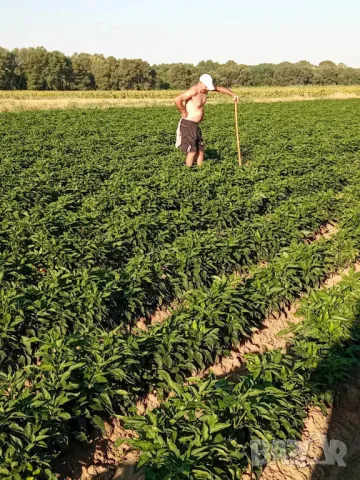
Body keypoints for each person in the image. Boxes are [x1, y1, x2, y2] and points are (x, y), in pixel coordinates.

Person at [174, 74, 239, 167]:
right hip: (188, 124)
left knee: (200, 149)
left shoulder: (205, 89)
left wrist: (233, 94)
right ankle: (187, 170)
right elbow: (177, 99)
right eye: (206, 87)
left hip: (195, 125)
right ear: (200, 83)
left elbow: (220, 89)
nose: (208, 89)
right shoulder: (194, 90)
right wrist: (183, 111)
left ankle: (201, 170)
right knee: (192, 150)